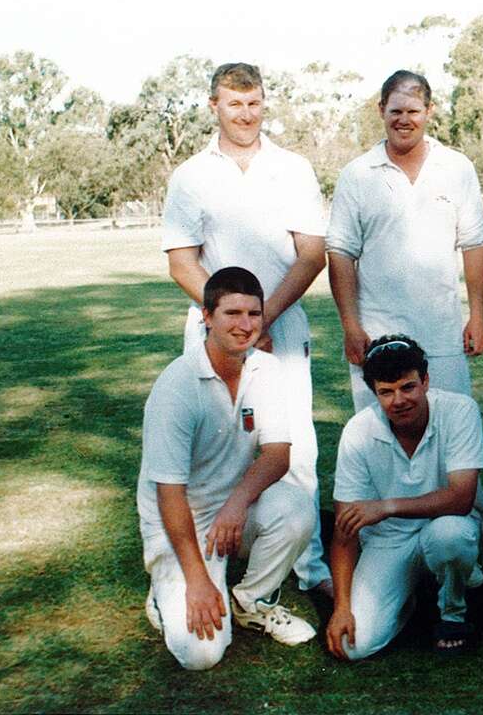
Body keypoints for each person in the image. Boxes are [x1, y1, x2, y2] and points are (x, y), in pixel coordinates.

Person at [161, 61, 331, 599]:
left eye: (255, 102)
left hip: (281, 327)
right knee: (208, 449)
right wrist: (230, 320)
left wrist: (263, 317)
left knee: (294, 445)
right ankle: (193, 561)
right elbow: (182, 262)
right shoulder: (191, 174)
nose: (246, 114)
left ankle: (310, 567)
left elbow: (311, 255)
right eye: (235, 104)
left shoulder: (293, 168)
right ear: (215, 105)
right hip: (212, 333)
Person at [138, 267, 317, 670]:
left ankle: (250, 601)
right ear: (206, 316)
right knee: (201, 655)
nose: (245, 325)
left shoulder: (266, 369)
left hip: (229, 509)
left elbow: (277, 453)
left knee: (297, 509)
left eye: (253, 314)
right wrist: (197, 581)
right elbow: (169, 495)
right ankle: (164, 591)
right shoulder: (177, 386)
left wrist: (237, 502)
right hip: (179, 519)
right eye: (232, 313)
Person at [326, 70, 483, 409]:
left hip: (442, 334)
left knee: (450, 430)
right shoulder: (357, 174)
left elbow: (474, 244)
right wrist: (351, 326)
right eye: (395, 111)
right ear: (381, 110)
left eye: (413, 111)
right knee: (379, 438)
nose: (404, 120)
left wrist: (476, 315)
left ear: (428, 112)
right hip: (375, 334)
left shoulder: (456, 167)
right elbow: (340, 253)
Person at [324, 335, 483, 660]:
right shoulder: (359, 430)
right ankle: (409, 594)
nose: (398, 400)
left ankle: (454, 611)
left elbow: (461, 499)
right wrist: (342, 607)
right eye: (386, 392)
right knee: (351, 646)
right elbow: (345, 530)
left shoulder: (459, 410)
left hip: (450, 524)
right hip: (389, 540)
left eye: (407, 387)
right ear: (374, 392)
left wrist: (386, 507)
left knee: (449, 536)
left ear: (425, 381)